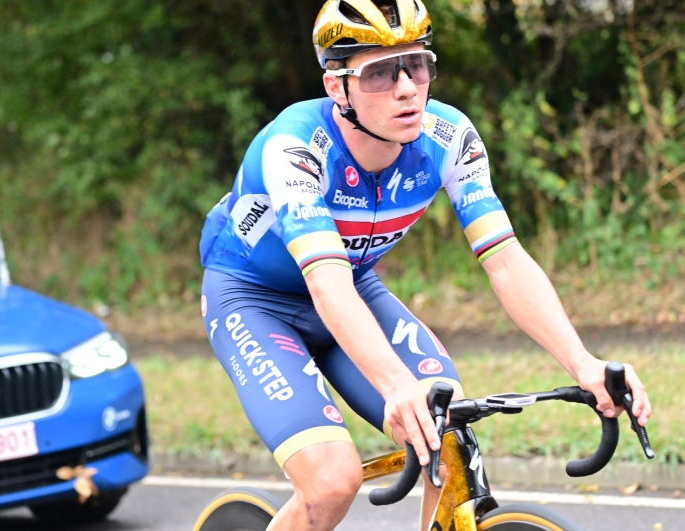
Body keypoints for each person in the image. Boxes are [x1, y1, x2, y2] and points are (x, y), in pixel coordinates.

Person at [199, 1, 652, 529]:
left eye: (415, 65)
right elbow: (326, 284)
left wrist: (583, 363)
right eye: (378, 74)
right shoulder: (294, 148)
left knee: (448, 425)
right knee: (331, 481)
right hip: (255, 299)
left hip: (354, 287)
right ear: (336, 88)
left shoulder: (449, 137)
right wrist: (395, 386)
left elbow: (505, 259)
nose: (407, 88)